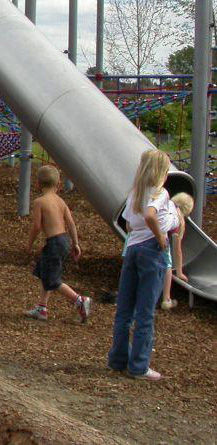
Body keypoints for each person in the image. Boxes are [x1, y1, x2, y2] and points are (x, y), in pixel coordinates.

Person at [108, 149, 173, 381]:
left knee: (125, 308)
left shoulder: (135, 192)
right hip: (151, 251)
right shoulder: (160, 193)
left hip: (133, 249)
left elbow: (127, 223)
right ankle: (139, 366)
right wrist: (160, 237)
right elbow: (150, 215)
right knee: (145, 311)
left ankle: (117, 359)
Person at [25, 165, 92, 323]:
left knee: (52, 280)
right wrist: (75, 243)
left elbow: (36, 226)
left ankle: (80, 300)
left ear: (37, 184)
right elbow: (71, 223)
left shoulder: (39, 202)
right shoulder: (61, 201)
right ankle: (42, 307)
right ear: (59, 184)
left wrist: (29, 244)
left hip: (54, 243)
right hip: (63, 241)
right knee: (44, 271)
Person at [160, 192, 194, 310]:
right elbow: (177, 250)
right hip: (159, 238)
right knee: (167, 265)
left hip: (141, 235)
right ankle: (166, 299)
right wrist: (179, 272)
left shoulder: (165, 203)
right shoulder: (178, 219)